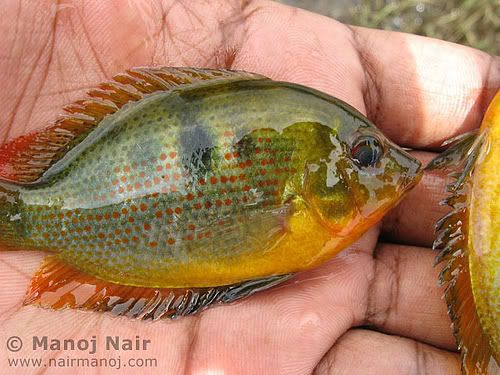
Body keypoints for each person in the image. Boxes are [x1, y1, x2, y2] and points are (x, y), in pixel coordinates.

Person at [0, 1, 498, 374]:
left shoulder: (312, 215)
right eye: (365, 155)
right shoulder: (301, 218)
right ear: (309, 183)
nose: (383, 166)